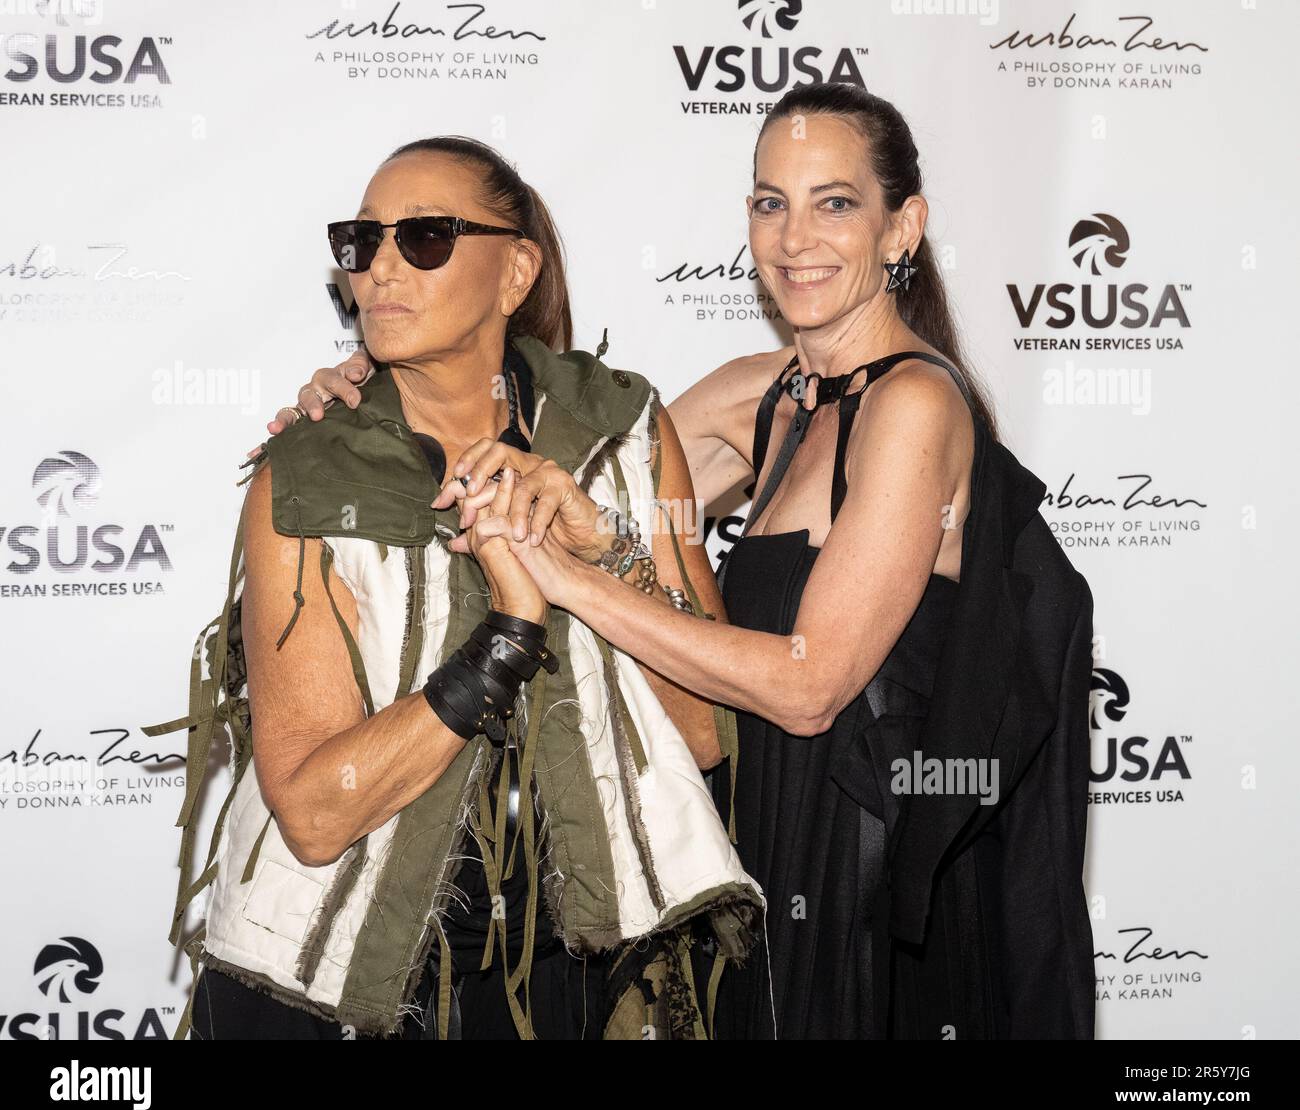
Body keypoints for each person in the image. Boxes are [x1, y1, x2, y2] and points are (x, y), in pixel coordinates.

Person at [280, 84, 1096, 1040]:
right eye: (769, 202)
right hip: (755, 854)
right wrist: (383, 394)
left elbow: (807, 687)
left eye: (835, 203)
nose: (796, 238)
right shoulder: (766, 401)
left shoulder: (917, 407)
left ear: (901, 227)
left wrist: (578, 579)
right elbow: (566, 431)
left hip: (859, 883)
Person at [149, 135, 762, 1042]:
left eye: (426, 237)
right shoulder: (308, 472)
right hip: (331, 979)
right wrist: (509, 635)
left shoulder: (624, 434)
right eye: (362, 241)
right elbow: (317, 815)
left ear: (516, 271)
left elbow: (707, 734)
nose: (381, 268)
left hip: (569, 977)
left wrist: (598, 560)